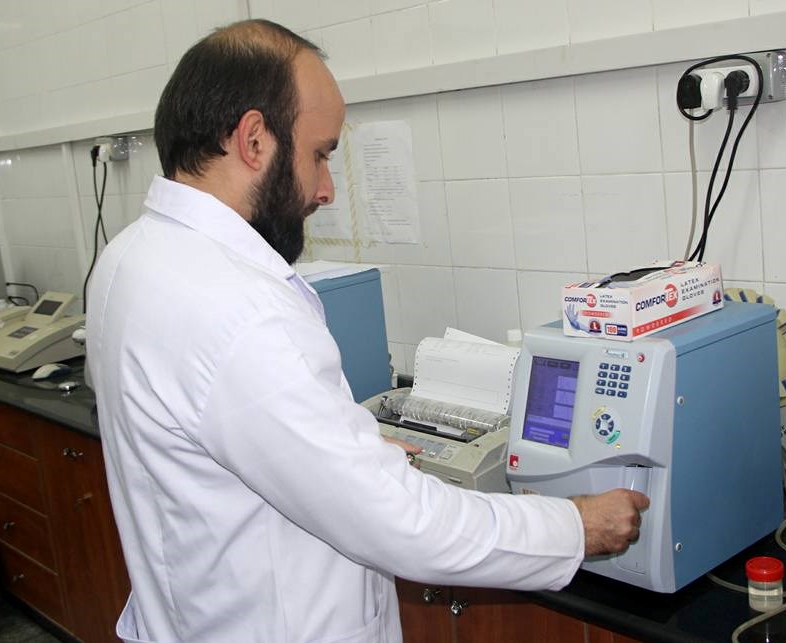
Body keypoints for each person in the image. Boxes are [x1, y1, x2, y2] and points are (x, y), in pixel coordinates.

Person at [86, 19, 649, 643]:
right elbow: (406, 527)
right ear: (253, 139)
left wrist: (344, 462)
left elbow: (225, 444)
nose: (326, 189)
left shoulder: (129, 259)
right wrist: (576, 526)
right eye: (320, 154)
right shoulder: (241, 309)